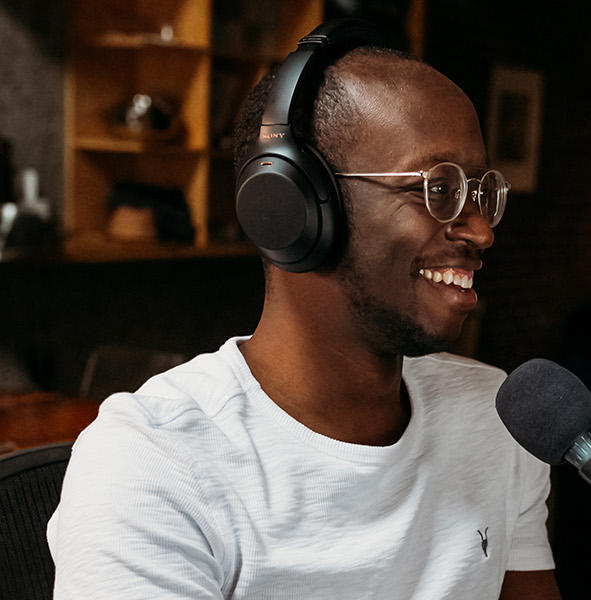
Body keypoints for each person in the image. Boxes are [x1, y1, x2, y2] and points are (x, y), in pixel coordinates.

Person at [47, 33, 561, 599]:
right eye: (437, 188)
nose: (482, 231)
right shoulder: (154, 464)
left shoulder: (500, 418)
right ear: (292, 207)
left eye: (479, 192)